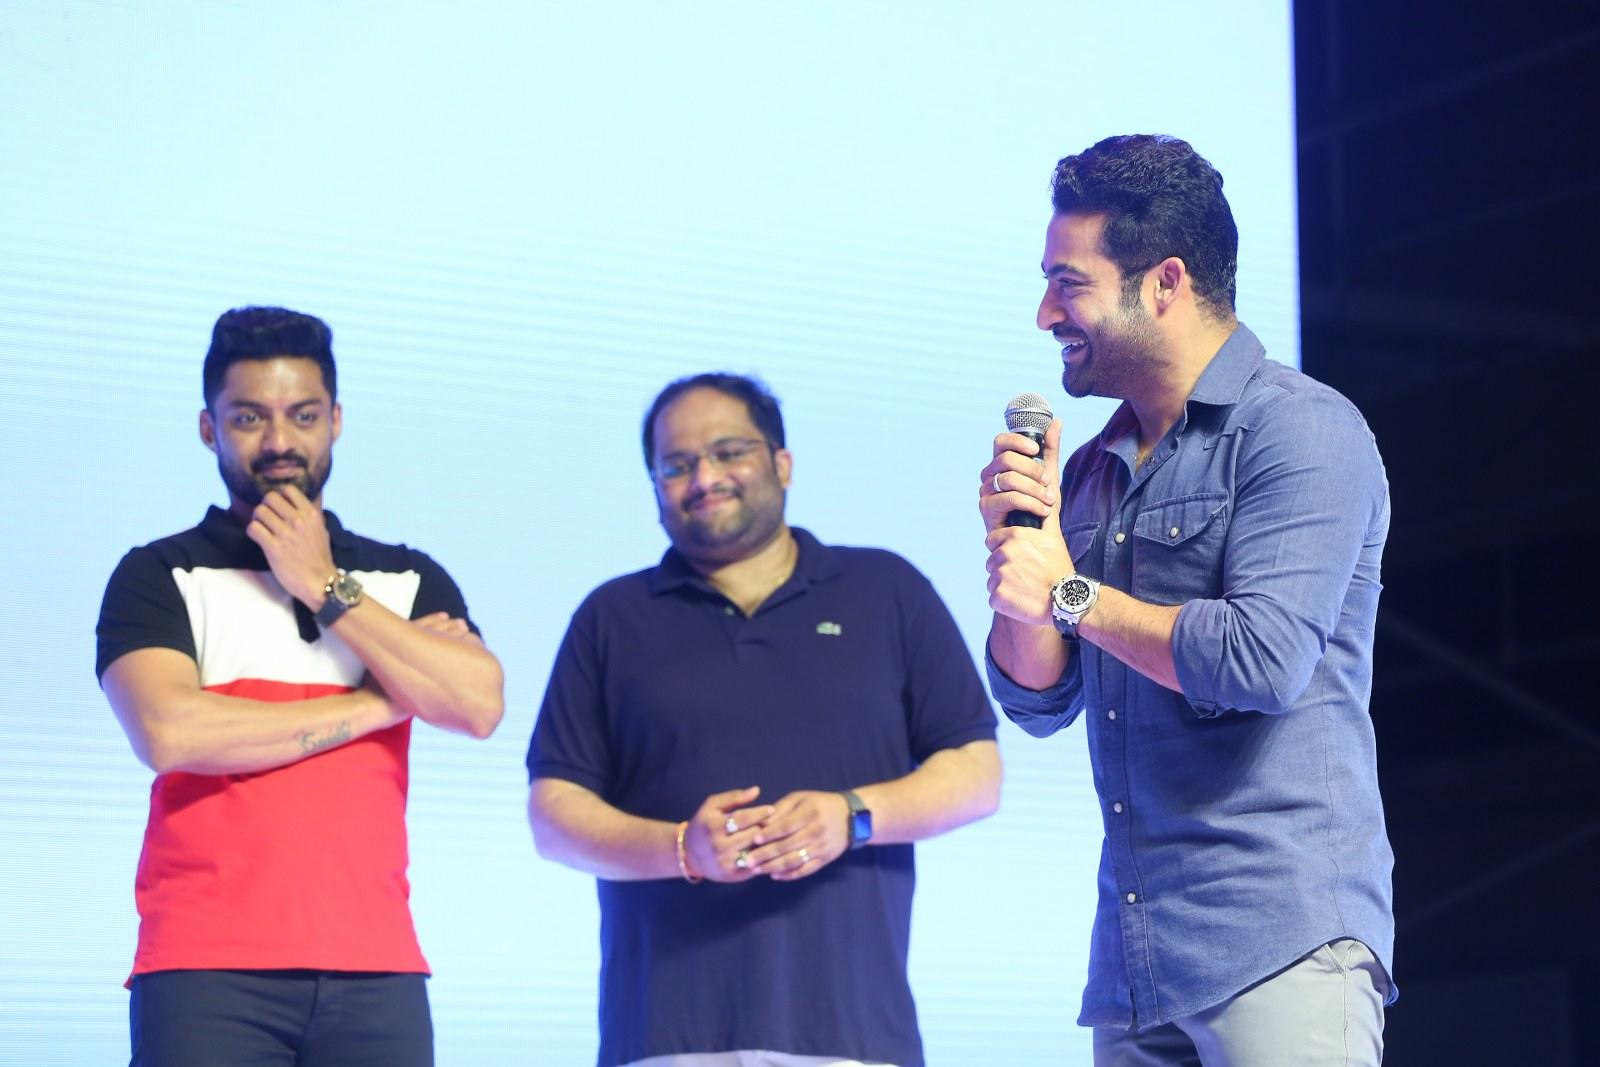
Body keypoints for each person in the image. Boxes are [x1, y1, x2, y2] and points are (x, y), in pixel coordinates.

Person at [979, 135, 1395, 1066]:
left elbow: (1260, 660)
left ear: (1165, 281)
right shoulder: (1090, 468)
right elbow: (1038, 700)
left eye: (1068, 284)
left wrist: (1069, 591)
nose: (1045, 313)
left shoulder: (1300, 429)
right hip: (1134, 965)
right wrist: (1021, 552)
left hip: (1278, 940)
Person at [527, 372, 1001, 1067]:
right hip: (662, 1037)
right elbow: (553, 817)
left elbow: (977, 774)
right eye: (677, 465)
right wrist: (684, 849)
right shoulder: (612, 617)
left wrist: (852, 815)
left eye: (729, 452)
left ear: (782, 463)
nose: (704, 479)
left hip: (854, 1035)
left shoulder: (884, 590)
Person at [95, 306, 505, 1066]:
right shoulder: (159, 574)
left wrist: (322, 583)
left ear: (336, 421)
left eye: (303, 415)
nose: (279, 441)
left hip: (379, 968)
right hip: (205, 971)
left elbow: (478, 705)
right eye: (249, 417)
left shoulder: (404, 576)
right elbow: (170, 733)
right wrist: (379, 702)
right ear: (209, 428)